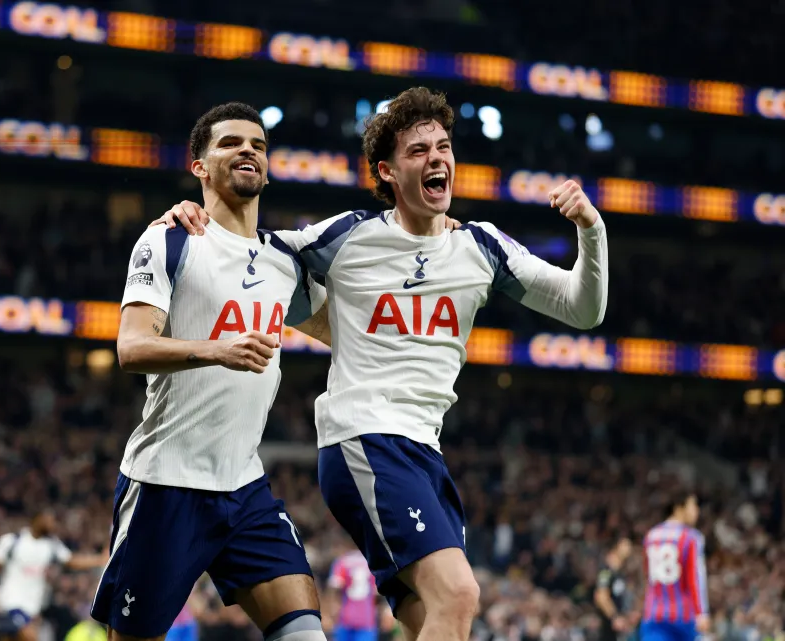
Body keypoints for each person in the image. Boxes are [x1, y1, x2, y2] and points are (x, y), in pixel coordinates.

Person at [156, 86, 609, 641]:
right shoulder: (349, 237)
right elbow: (257, 250)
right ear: (387, 172)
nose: (437, 158)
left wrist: (591, 228)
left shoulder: (483, 248)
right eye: (417, 151)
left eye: (443, 146)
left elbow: (582, 309)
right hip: (364, 438)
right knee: (460, 593)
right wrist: (195, 212)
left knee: (434, 620)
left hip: (424, 453)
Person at [90, 102, 334, 641]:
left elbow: (343, 336)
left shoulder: (282, 261)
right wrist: (215, 350)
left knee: (305, 632)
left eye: (259, 145)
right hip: (165, 483)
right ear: (199, 166)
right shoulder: (170, 240)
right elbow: (131, 347)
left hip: (243, 485)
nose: (249, 149)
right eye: (230, 143)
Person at [0, 509, 108, 641]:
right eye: (49, 519)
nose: (52, 524)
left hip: (31, 610)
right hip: (10, 603)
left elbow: (71, 560)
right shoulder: (14, 541)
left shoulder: (51, 545)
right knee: (31, 636)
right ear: (38, 519)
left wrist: (99, 559)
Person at [640, 493, 709, 641]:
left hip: (653, 613)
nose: (696, 511)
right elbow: (695, 578)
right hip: (682, 617)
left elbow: (648, 574)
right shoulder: (691, 537)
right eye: (693, 506)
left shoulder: (651, 536)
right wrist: (701, 612)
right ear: (678, 508)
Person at [326, 545, 377, 641]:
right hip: (366, 617)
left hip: (345, 616)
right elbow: (378, 591)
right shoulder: (372, 561)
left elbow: (335, 587)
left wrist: (331, 610)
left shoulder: (342, 561)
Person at [594, 535, 634, 641]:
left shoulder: (623, 572)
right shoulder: (606, 571)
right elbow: (601, 597)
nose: (629, 547)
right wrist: (614, 617)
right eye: (625, 544)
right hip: (609, 627)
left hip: (624, 625)